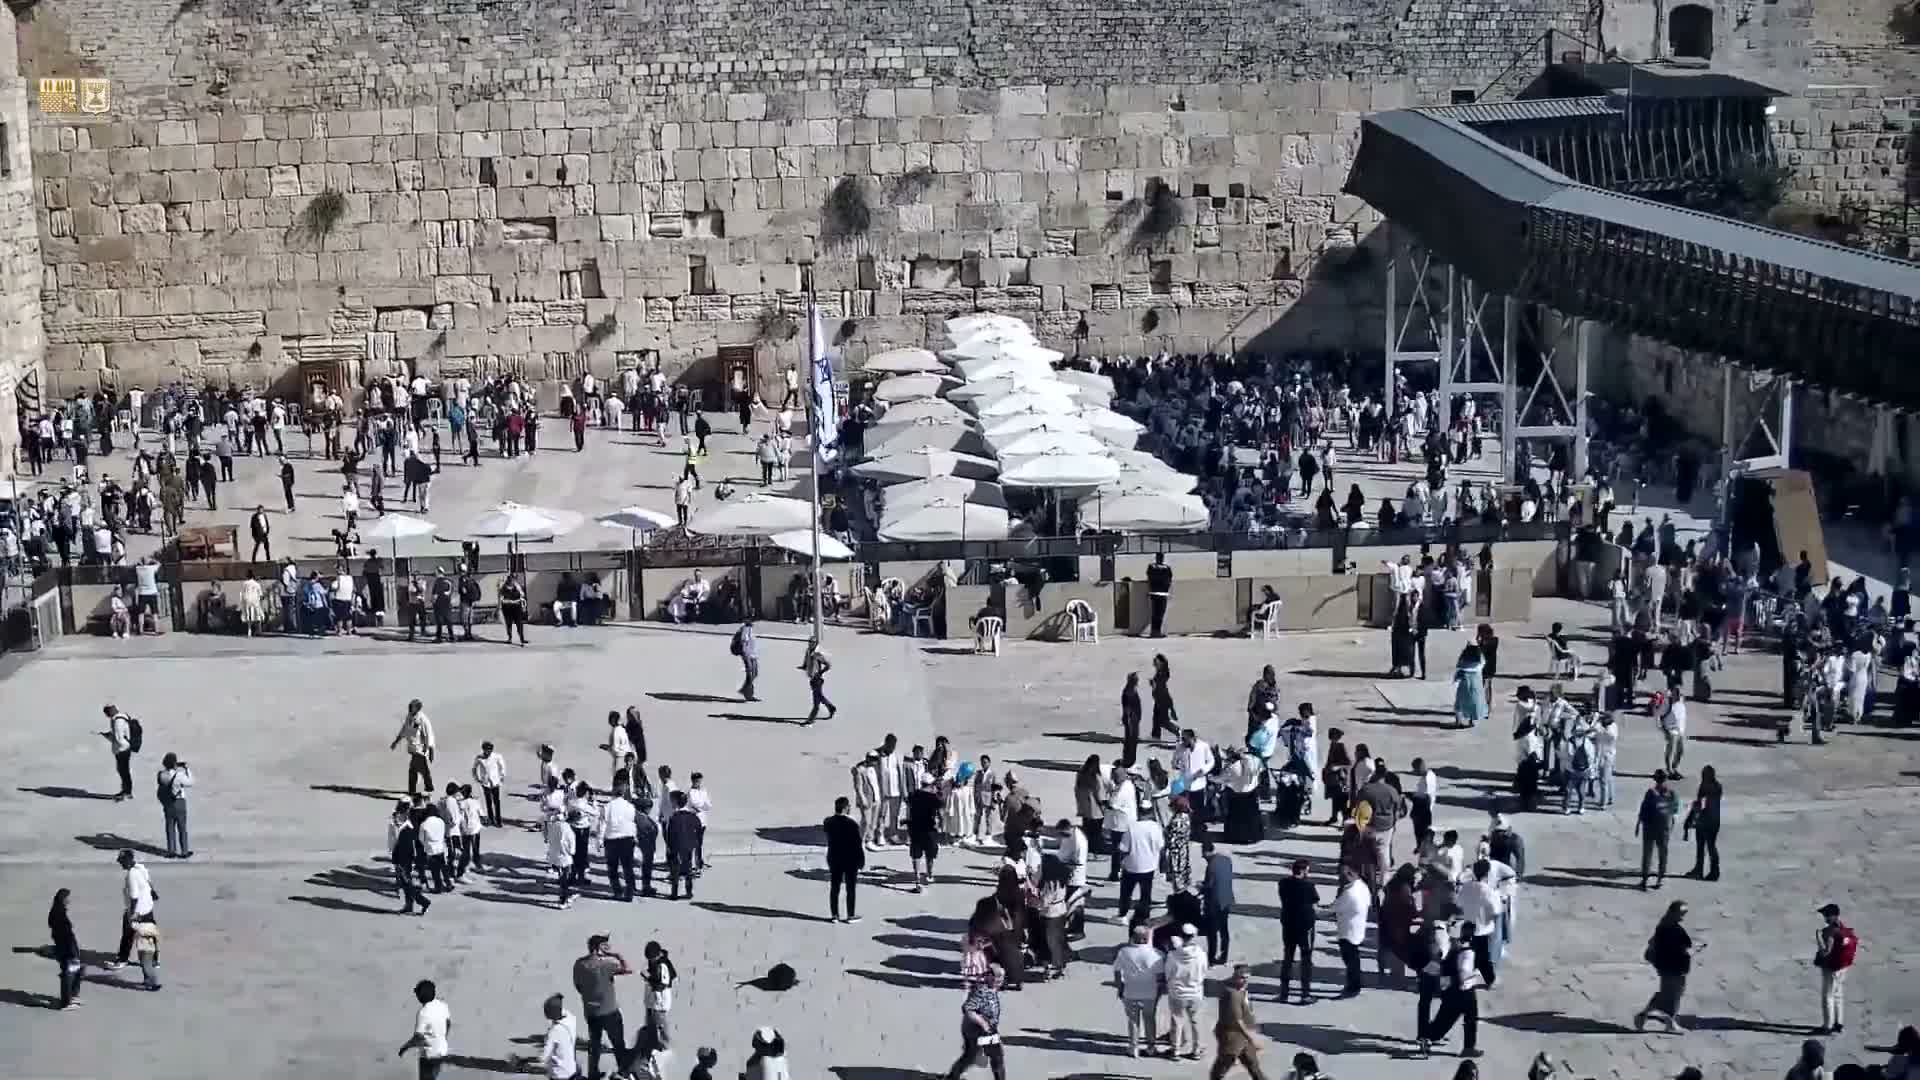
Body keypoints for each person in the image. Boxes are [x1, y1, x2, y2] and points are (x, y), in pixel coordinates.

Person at [1420, 921, 1484, 1058]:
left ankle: (1427, 1037)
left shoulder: (1453, 946)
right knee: (1469, 1018)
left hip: (1451, 988)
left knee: (1446, 1019)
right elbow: (1463, 972)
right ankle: (1468, 1047)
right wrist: (1476, 973)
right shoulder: (1467, 951)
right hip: (1464, 990)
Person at [574, 935, 634, 1080]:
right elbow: (628, 969)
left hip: (591, 1012)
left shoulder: (579, 964)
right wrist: (617, 955)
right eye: (605, 945)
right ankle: (623, 1071)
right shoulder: (607, 965)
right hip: (609, 1011)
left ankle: (593, 1073)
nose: (608, 948)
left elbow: (578, 986)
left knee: (594, 1044)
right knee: (618, 1043)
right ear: (598, 948)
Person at [1634, 900, 1699, 1032]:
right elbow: (1672, 949)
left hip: (1673, 967)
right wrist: (1688, 951)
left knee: (1670, 994)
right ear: (1673, 912)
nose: (1683, 916)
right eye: (1681, 913)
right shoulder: (1669, 928)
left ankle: (1647, 1017)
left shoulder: (1668, 925)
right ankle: (1666, 1022)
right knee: (1672, 995)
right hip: (1672, 968)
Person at [944, 964, 1006, 1080]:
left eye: (1001, 978)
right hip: (979, 1031)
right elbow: (968, 1008)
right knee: (996, 1057)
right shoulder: (982, 990)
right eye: (997, 977)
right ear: (988, 976)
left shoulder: (991, 988)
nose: (999, 980)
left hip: (982, 1029)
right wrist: (983, 1023)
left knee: (971, 1056)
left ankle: (952, 1077)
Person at [1113, 923, 1164, 1057]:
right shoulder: (1157, 954)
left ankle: (1133, 1047)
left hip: (1130, 991)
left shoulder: (1124, 952)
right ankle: (1151, 1047)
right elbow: (1160, 978)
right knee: (1150, 1019)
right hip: (1150, 993)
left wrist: (1120, 988)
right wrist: (1158, 993)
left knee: (1133, 1020)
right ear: (1146, 938)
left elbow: (1117, 972)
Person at [1209, 965, 1267, 1080]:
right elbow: (1237, 1021)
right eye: (1242, 977)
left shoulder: (1241, 988)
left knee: (1253, 1066)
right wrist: (1252, 1038)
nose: (1245, 981)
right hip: (1233, 1037)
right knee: (1221, 1068)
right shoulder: (1233, 994)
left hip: (1243, 1036)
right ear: (1235, 976)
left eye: (1247, 978)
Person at [1162, 925, 1209, 1060]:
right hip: (1195, 992)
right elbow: (1204, 971)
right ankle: (1196, 1050)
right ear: (1194, 936)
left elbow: (1168, 973)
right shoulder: (1200, 954)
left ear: (1181, 937)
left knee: (1177, 1021)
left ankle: (1175, 1050)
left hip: (1177, 993)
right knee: (1195, 1022)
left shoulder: (1173, 955)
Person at [1276, 858, 1319, 1004]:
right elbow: (1315, 900)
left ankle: (1284, 993)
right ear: (1303, 870)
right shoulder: (1308, 885)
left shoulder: (1283, 883)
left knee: (1288, 957)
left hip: (1288, 924)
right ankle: (1305, 994)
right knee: (1306, 960)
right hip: (1305, 926)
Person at [1813, 902, 1858, 1034]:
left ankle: (1827, 1026)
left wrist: (1818, 938)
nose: (1825, 918)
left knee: (1828, 996)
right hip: (1843, 967)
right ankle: (1839, 1024)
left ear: (1833, 916)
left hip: (1831, 968)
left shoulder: (1829, 932)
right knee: (1838, 994)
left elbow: (1825, 952)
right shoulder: (1844, 929)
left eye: (1827, 915)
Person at [397, 979, 451, 1079]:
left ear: (421, 995)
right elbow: (448, 1023)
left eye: (417, 993)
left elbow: (418, 1038)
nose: (417, 996)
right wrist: (441, 1037)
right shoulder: (443, 1005)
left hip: (428, 1054)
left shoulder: (423, 1012)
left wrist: (404, 1048)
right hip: (442, 1050)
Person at [1636, 769, 1680, 890]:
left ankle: (1645, 879)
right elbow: (1675, 810)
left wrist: (1640, 823)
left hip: (1650, 827)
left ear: (1655, 780)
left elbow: (1643, 810)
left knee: (1648, 854)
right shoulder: (1672, 794)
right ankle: (1660, 879)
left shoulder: (1651, 793)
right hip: (1664, 827)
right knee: (1663, 853)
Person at [824, 795, 865, 923]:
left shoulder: (828, 822)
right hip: (850, 860)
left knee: (834, 887)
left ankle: (834, 915)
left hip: (834, 858)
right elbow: (857, 845)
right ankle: (850, 915)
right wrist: (861, 860)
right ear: (847, 808)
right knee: (850, 888)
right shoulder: (852, 824)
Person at [1333, 865, 1371, 997]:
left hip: (1348, 930)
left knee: (1350, 960)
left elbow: (1336, 907)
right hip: (1358, 927)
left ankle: (1353, 987)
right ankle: (1354, 985)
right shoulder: (1362, 886)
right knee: (1354, 959)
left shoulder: (1349, 893)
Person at [1684, 765, 1722, 881]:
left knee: (1705, 846)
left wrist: (1690, 819)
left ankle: (1704, 870)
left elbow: (1699, 804)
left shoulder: (1706, 786)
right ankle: (1709, 871)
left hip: (1706, 820)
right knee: (1708, 846)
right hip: (1714, 820)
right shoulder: (1717, 786)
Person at [391, 699, 437, 795]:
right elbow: (404, 730)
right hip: (413, 749)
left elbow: (429, 734)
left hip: (420, 749)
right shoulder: (409, 717)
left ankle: (418, 790)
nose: (409, 708)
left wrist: (431, 750)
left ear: (417, 708)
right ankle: (427, 788)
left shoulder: (422, 719)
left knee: (416, 770)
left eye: (411, 707)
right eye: (409, 706)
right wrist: (396, 741)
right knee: (421, 770)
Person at [907, 775, 944, 893]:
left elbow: (908, 811)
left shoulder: (913, 795)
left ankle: (917, 879)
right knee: (930, 853)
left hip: (915, 828)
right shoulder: (934, 798)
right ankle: (929, 874)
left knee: (916, 855)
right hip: (929, 829)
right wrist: (942, 827)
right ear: (931, 784)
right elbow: (940, 814)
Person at [1199, 842, 1234, 965]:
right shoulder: (1227, 860)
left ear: (1206, 852)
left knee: (1212, 931)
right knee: (1224, 929)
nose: (1202, 856)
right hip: (1226, 900)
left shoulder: (1211, 866)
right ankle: (1224, 956)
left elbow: (1209, 885)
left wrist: (1200, 888)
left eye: (1203, 853)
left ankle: (1211, 958)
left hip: (1214, 903)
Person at [48, 888, 82, 1009]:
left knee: (76, 970)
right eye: (67, 897)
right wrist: (71, 950)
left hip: (66, 945)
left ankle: (72, 996)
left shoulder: (58, 911)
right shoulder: (58, 913)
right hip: (66, 946)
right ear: (62, 899)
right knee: (69, 972)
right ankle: (66, 1002)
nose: (69, 900)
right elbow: (63, 933)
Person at [156, 752, 193, 858]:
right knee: (182, 828)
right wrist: (186, 769)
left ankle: (171, 850)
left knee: (170, 827)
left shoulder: (161, 774)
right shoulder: (179, 775)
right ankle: (184, 851)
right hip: (179, 802)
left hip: (167, 802)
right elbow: (190, 782)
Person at [540, 993, 580, 1080]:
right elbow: (563, 1012)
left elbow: (544, 1057)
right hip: (572, 1069)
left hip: (560, 1074)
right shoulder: (572, 1019)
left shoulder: (554, 1031)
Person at [102, 704, 136, 801]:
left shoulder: (117, 721)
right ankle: (126, 791)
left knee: (123, 771)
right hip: (125, 748)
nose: (107, 716)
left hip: (122, 749)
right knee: (124, 771)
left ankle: (127, 793)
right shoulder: (122, 717)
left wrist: (109, 737)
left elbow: (119, 738)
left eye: (107, 713)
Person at [802, 639, 836, 724]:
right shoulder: (808, 651)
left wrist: (820, 672)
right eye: (809, 642)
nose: (810, 644)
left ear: (815, 644)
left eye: (812, 642)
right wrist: (804, 666)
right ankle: (831, 707)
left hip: (817, 679)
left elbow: (828, 665)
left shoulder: (817, 654)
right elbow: (807, 661)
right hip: (812, 679)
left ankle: (811, 719)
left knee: (816, 700)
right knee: (820, 696)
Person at [732, 618, 760, 701]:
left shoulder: (749, 629)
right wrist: (746, 657)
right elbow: (744, 643)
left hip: (752, 654)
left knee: (754, 673)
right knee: (751, 674)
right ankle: (748, 694)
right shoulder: (745, 629)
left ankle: (744, 689)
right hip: (748, 655)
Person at [1146, 553, 1173, 638]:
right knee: (1160, 613)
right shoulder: (1166, 568)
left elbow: (1149, 577)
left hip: (1154, 592)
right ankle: (1157, 631)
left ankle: (1154, 631)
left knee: (1155, 613)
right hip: (1163, 593)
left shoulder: (1151, 567)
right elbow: (1169, 579)